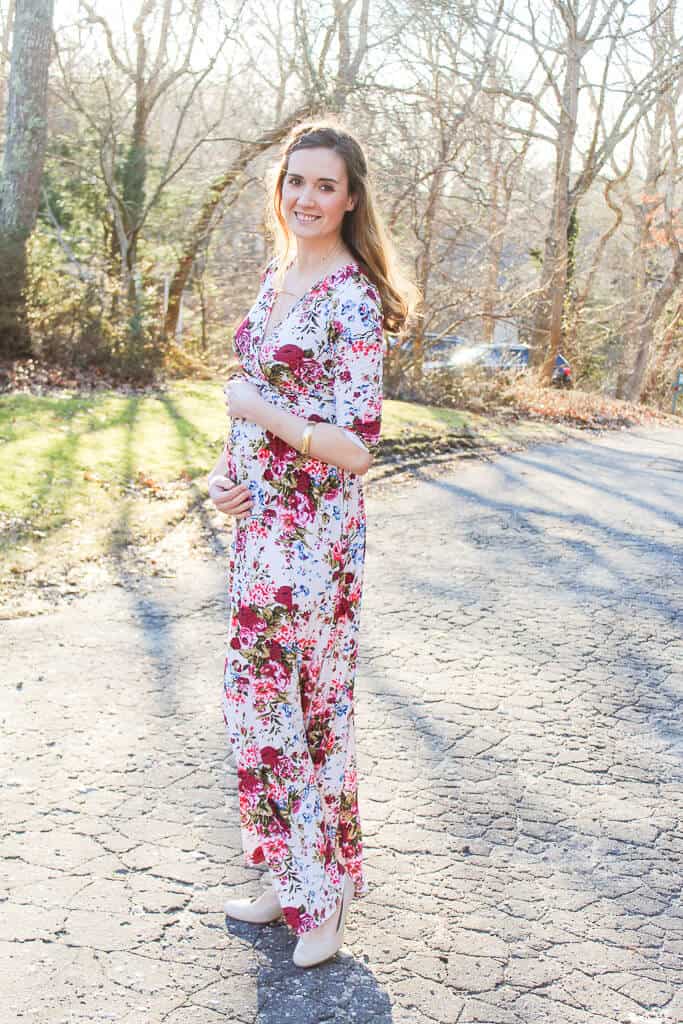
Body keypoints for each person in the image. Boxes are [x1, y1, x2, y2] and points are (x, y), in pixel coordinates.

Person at [207, 121, 417, 968]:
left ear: (351, 198)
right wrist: (225, 479)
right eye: (295, 181)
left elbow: (356, 445)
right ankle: (289, 875)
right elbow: (247, 400)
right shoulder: (277, 275)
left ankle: (318, 901)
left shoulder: (352, 298)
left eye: (325, 186)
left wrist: (260, 417)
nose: (306, 198)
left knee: (275, 708)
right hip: (259, 526)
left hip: (313, 542)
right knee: (279, 707)